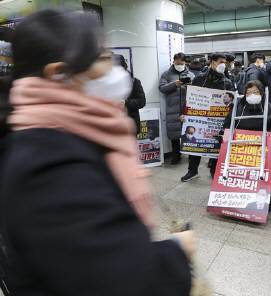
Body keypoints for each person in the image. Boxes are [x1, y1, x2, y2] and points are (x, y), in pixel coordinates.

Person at [0, 10, 195, 296]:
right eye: (101, 58)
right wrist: (176, 252)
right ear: (58, 73)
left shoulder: (76, 128)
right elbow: (121, 282)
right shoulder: (48, 164)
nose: (113, 69)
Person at [222, 80, 271, 210]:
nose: (252, 95)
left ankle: (270, 193)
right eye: (249, 92)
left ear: (262, 93)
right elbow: (227, 125)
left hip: (264, 148)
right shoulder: (237, 107)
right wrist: (222, 137)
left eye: (255, 92)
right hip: (240, 148)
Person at [182, 52, 235, 182]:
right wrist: (184, 113)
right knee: (196, 143)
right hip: (200, 118)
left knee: (217, 144)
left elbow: (232, 102)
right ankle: (192, 170)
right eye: (220, 62)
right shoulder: (200, 78)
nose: (223, 65)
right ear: (212, 62)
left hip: (218, 120)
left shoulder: (227, 81)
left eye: (224, 62)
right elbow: (190, 98)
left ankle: (214, 170)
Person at [159, 52, 195, 165]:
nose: (180, 64)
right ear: (174, 61)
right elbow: (162, 88)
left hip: (187, 107)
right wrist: (174, 84)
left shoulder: (191, 74)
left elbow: (198, 90)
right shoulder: (167, 74)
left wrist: (190, 86)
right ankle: (176, 155)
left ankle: (191, 155)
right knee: (174, 133)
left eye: (182, 63)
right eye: (178, 62)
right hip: (172, 108)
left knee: (189, 131)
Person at [114, 54, 146, 134]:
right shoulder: (107, 84)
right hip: (113, 126)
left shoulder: (134, 82)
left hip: (130, 126)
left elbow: (142, 101)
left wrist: (126, 102)